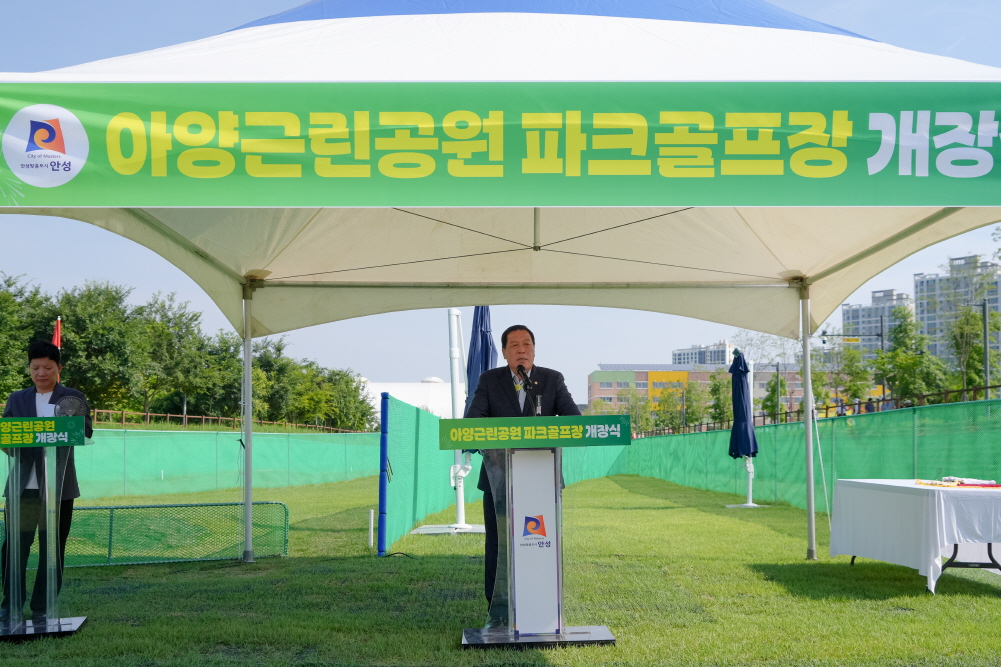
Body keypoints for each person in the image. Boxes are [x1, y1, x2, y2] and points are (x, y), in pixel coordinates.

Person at [464, 325, 580, 628]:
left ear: (534, 349)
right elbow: (471, 422)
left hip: (543, 477)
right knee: (500, 544)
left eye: (526, 343)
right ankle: (498, 612)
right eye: (514, 345)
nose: (521, 349)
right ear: (504, 352)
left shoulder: (552, 379)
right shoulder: (489, 381)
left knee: (541, 542)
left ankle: (543, 607)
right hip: (499, 477)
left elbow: (574, 421)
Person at [1, 341, 92, 625]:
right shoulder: (17, 399)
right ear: (29, 369)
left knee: (52, 547)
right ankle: (10, 603)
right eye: (35, 367)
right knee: (14, 546)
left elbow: (85, 431)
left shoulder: (72, 397)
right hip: (22, 487)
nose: (41, 373)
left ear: (58, 369)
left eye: (48, 368)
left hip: (59, 487)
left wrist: (56, 432)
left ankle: (43, 606)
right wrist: (24, 440)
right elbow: (6, 437)